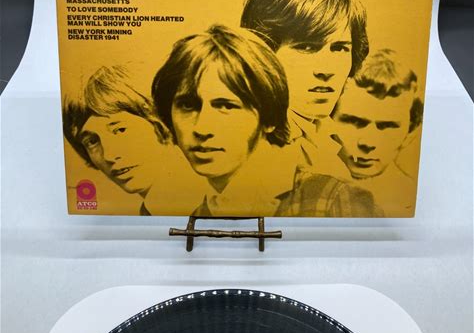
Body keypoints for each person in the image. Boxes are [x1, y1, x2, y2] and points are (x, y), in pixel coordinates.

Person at [151, 24, 380, 217]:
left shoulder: (333, 199)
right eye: (188, 105)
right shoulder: (200, 215)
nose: (202, 128)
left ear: (269, 118)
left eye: (226, 106)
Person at [241, 0, 368, 180]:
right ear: (264, 54)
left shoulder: (328, 138)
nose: (326, 70)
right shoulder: (252, 148)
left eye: (339, 48)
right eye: (307, 47)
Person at [63, 64, 202, 215]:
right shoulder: (154, 208)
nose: (109, 155)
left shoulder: (202, 203)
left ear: (158, 122)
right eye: (92, 142)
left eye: (120, 130)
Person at [332, 49, 423, 216]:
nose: (368, 143)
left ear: (410, 131)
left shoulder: (414, 202)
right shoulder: (296, 191)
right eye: (354, 121)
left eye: (387, 126)